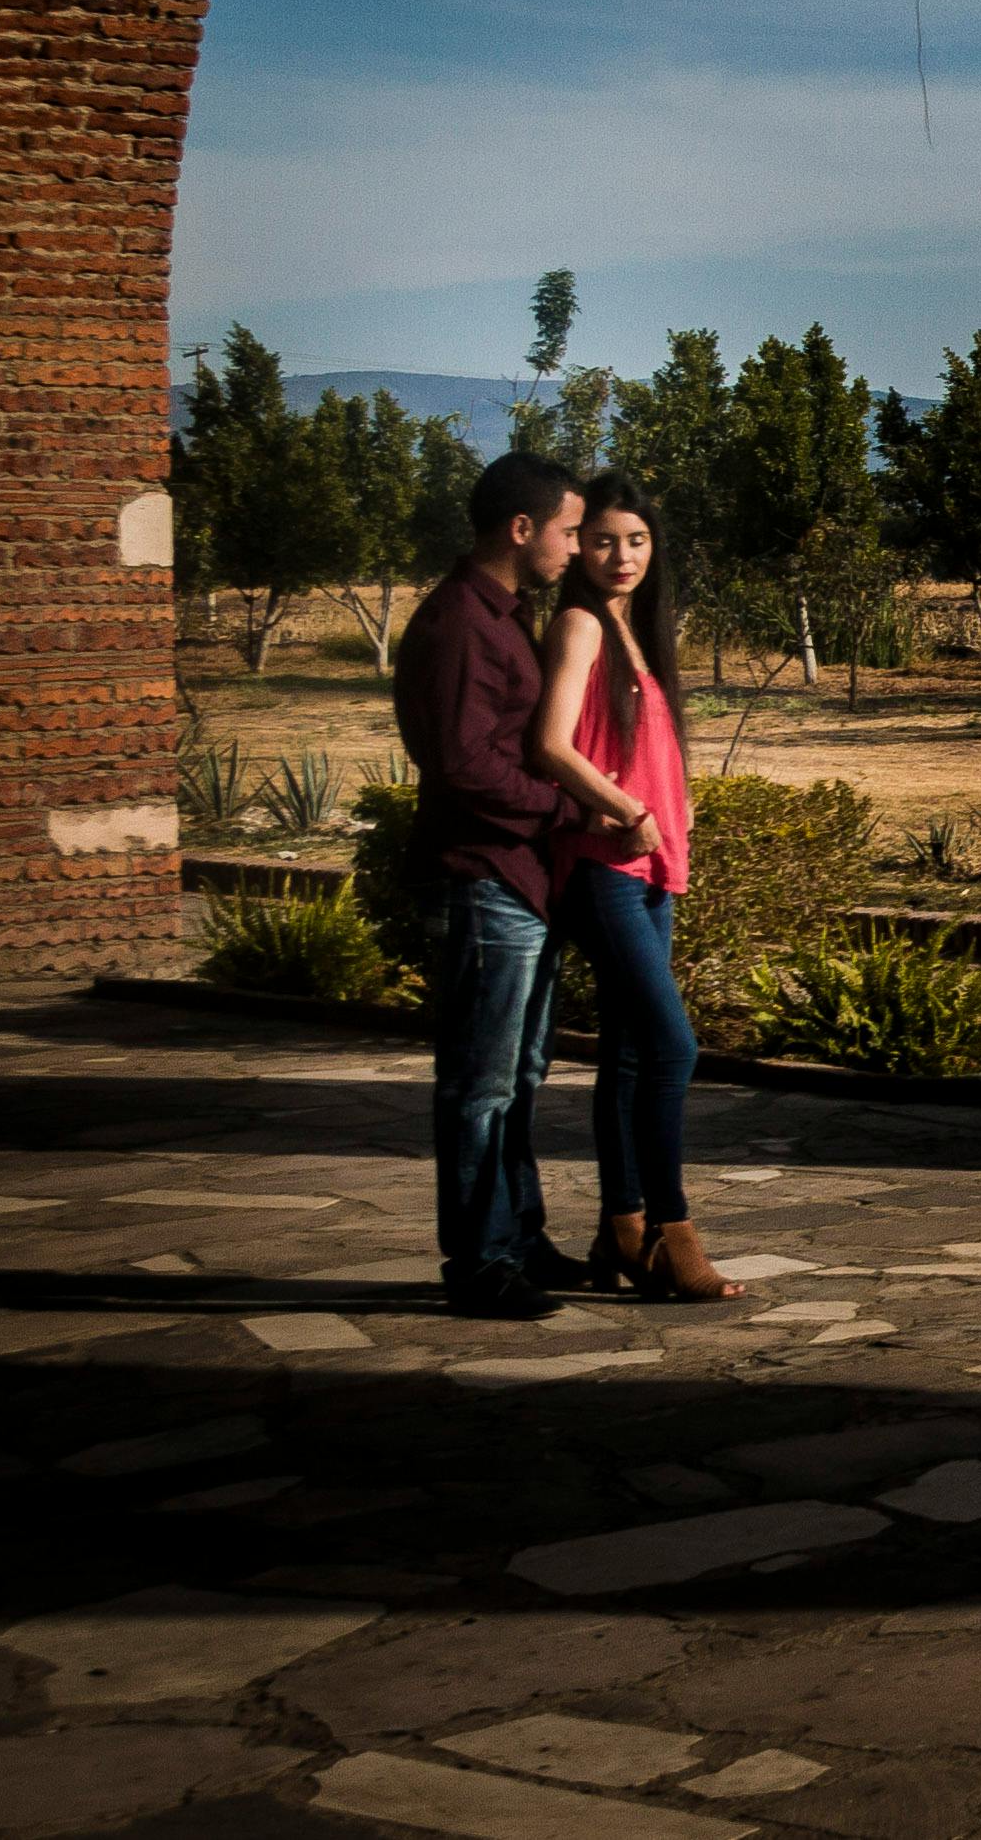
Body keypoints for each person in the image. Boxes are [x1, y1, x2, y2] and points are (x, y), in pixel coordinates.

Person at [531, 469, 742, 1301]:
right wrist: (626, 807)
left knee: (625, 1052)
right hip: (603, 862)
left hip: (648, 867)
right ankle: (669, 1231)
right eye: (605, 539)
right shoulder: (579, 625)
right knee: (671, 1046)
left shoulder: (634, 629)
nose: (622, 555)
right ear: (579, 545)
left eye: (638, 540)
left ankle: (620, 1230)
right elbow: (550, 743)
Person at [394, 450, 588, 1319]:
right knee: (480, 1083)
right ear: (521, 528)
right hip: (482, 879)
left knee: (519, 1074)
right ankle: (477, 1262)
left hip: (515, 880)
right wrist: (558, 806)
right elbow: (462, 762)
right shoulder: (462, 624)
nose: (575, 547)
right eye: (568, 529)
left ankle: (517, 1238)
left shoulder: (500, 615)